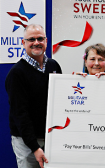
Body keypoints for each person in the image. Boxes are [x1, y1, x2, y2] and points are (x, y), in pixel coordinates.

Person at [5, 24, 62, 168]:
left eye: (40, 39)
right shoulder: (17, 73)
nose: (36, 43)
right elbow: (20, 114)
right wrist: (35, 147)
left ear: (46, 41)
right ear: (23, 43)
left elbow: (62, 99)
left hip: (51, 138)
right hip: (26, 142)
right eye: (31, 39)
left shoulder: (54, 66)